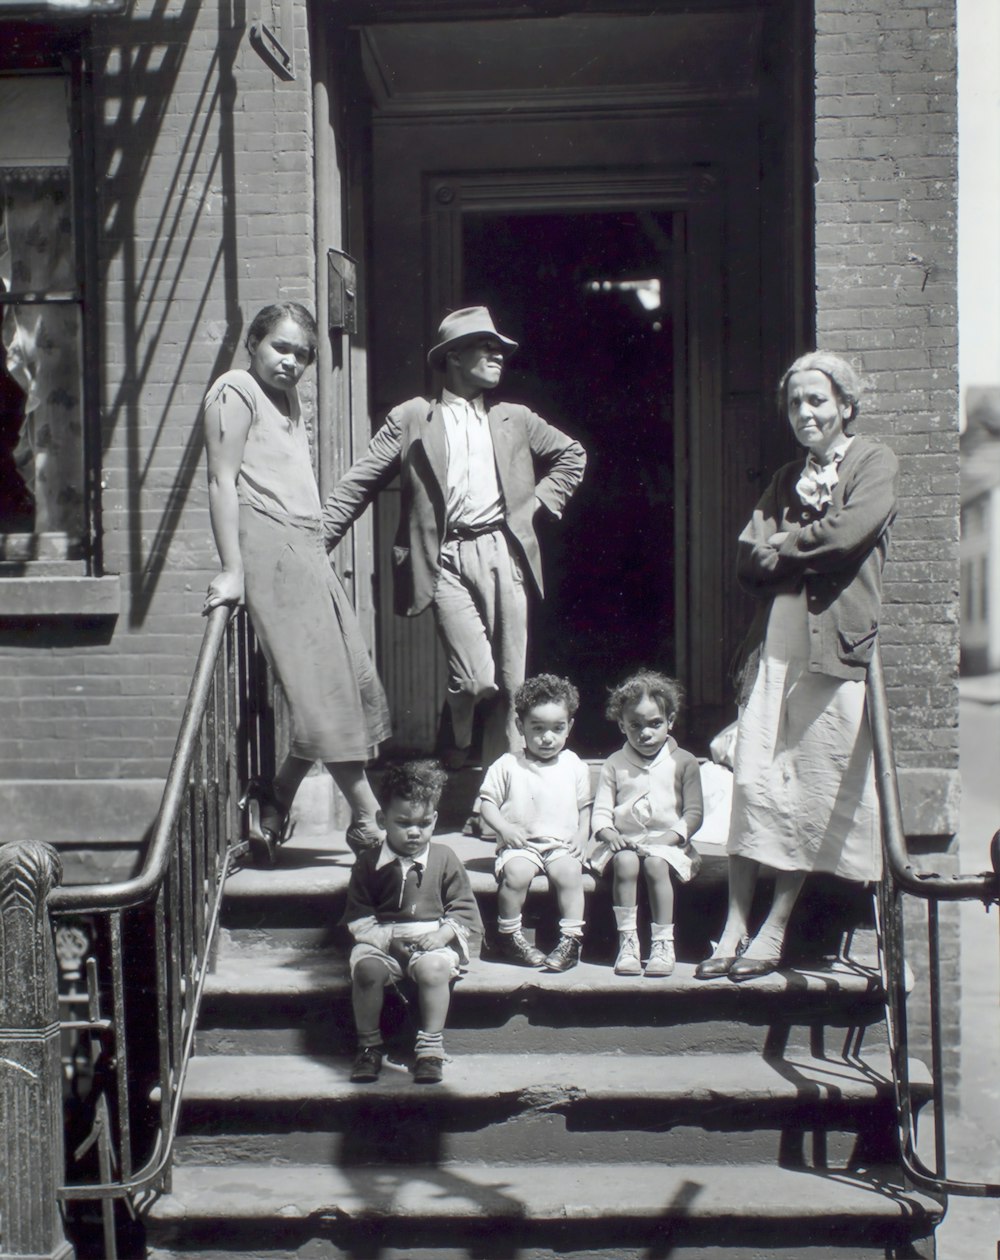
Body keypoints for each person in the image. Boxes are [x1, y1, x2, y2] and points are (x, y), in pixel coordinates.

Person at [321, 306, 586, 818]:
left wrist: (535, 507)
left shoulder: (516, 419)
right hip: (442, 558)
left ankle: (500, 809)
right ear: (453, 358)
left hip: (502, 552)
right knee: (475, 678)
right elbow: (359, 482)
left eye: (500, 349)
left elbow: (572, 455)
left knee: (511, 686)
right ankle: (456, 739)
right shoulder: (412, 418)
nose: (497, 355)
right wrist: (315, 542)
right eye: (485, 346)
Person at [695, 351, 899, 982]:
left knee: (811, 783)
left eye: (817, 400)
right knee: (755, 777)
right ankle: (732, 926)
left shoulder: (874, 462)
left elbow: (850, 534)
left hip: (834, 645)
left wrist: (783, 546)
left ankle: (774, 925)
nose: (805, 413)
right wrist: (793, 549)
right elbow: (744, 563)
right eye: (794, 403)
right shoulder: (787, 478)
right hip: (775, 642)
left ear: (845, 404)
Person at [202, 303, 391, 865]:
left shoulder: (289, 401)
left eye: (302, 354)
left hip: (307, 545)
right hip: (270, 545)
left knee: (346, 683)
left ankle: (275, 797)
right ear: (253, 343)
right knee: (322, 689)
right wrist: (233, 569)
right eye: (279, 347)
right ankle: (367, 818)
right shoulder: (234, 389)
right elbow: (220, 481)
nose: (290, 361)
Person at [343, 760, 483, 1084]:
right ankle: (368, 1046)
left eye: (424, 823)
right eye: (403, 822)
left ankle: (431, 1048)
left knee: (433, 970)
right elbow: (359, 915)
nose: (415, 832)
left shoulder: (444, 858)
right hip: (381, 940)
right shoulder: (368, 863)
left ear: (434, 820)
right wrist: (386, 942)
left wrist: (443, 934)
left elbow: (464, 908)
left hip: (430, 939)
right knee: (366, 971)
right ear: (382, 819)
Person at [590, 671, 704, 978]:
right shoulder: (614, 763)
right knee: (626, 862)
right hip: (625, 842)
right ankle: (628, 943)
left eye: (655, 723)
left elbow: (693, 813)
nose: (645, 733)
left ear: (670, 720)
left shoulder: (685, 762)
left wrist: (669, 838)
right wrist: (609, 833)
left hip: (667, 845)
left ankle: (662, 944)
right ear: (622, 725)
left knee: (655, 864)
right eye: (635, 725)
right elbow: (600, 810)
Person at [478, 674, 592, 973]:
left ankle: (571, 941)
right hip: (522, 845)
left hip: (560, 844)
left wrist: (582, 835)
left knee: (569, 873)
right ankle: (509, 936)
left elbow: (585, 807)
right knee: (516, 874)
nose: (547, 737)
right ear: (520, 726)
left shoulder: (574, 765)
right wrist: (503, 828)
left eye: (557, 728)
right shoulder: (507, 765)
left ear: (570, 726)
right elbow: (487, 805)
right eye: (537, 728)